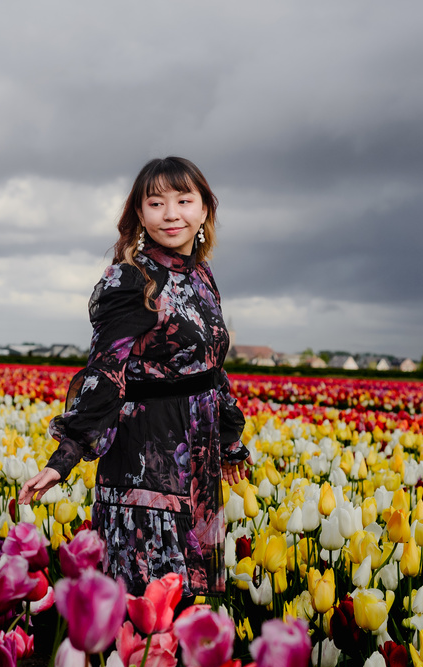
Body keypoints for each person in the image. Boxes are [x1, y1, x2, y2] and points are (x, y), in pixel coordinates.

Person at [18, 156, 252, 597]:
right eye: (156, 202)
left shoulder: (201, 276)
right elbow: (106, 373)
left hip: (197, 463)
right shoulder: (132, 279)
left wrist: (231, 439)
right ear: (140, 215)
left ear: (204, 210)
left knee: (188, 606)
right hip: (145, 463)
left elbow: (209, 371)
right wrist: (65, 456)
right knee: (149, 602)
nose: (171, 214)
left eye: (184, 200)